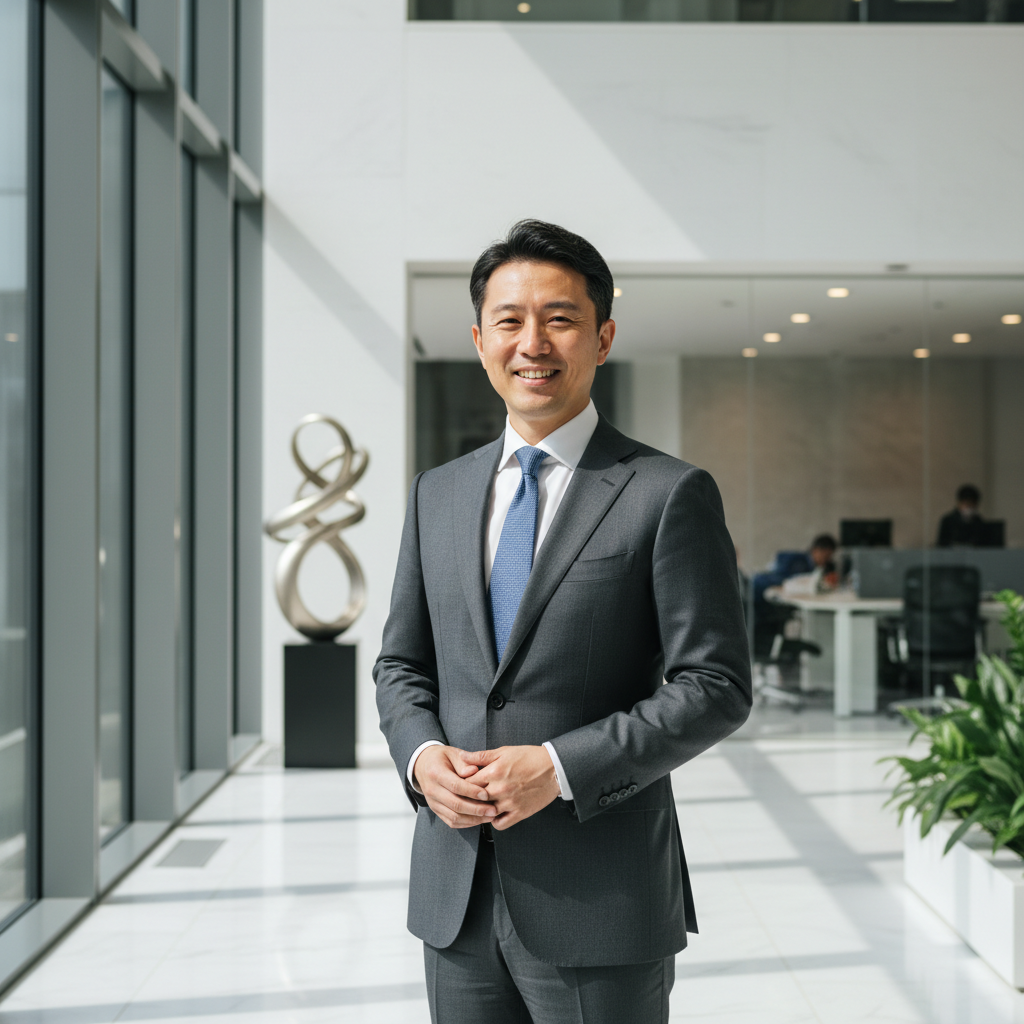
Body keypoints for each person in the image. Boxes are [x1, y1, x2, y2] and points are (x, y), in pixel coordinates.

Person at [374, 220, 751, 1024]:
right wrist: (422, 758)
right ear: (480, 340)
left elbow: (715, 685)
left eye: (561, 318)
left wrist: (557, 765)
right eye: (509, 320)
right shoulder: (434, 494)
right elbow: (402, 664)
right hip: (456, 897)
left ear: (603, 335)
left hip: (602, 900)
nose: (532, 343)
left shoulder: (666, 492)